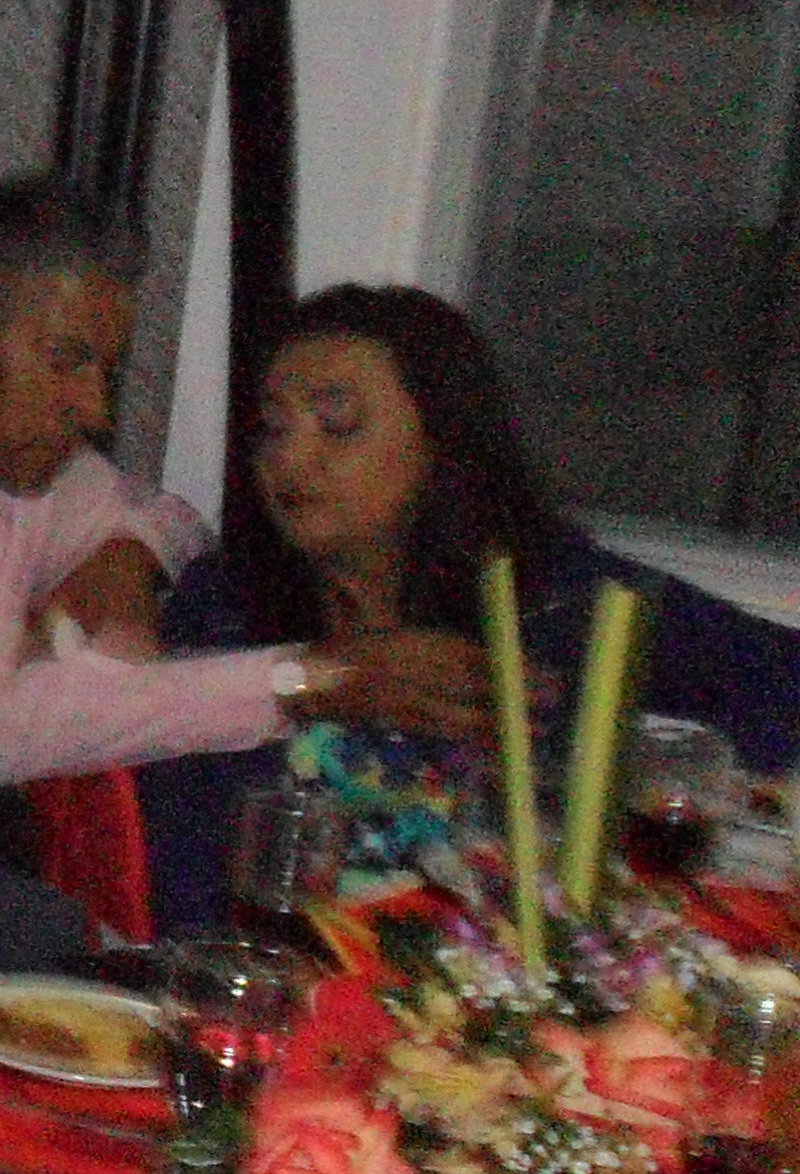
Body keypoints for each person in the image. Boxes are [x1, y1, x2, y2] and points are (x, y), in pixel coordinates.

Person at [0, 174, 490, 1044]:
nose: (94, 408)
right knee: (47, 942)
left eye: (105, 369)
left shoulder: (20, 479)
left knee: (139, 972)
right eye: (66, 360)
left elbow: (164, 516)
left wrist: (124, 556)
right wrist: (308, 681)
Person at [143, 285, 800, 934]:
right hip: (275, 970)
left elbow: (779, 683)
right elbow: (178, 866)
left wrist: (666, 779)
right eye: (273, 427)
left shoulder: (552, 597)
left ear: (443, 440)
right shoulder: (222, 606)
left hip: (498, 974)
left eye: (337, 425)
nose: (288, 458)